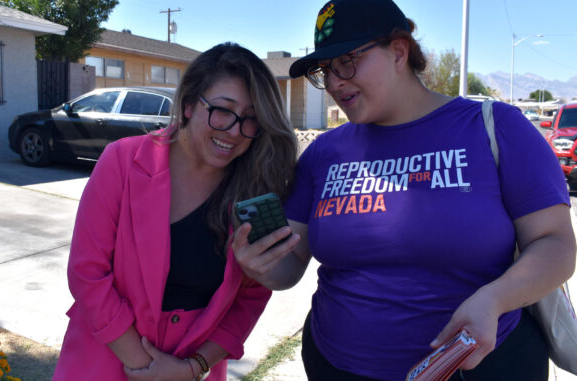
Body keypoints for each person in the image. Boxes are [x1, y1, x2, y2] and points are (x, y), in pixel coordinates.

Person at [232, 0, 576, 380]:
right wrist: (260, 263)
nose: (332, 82)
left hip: (478, 368)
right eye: (324, 70)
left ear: (399, 51)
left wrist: (496, 299)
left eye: (345, 62)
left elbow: (556, 245)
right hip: (336, 366)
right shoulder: (323, 154)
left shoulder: (497, 128)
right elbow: (289, 267)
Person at [53, 42, 299, 381]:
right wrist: (147, 368)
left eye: (251, 119)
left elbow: (251, 297)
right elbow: (87, 274)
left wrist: (192, 368)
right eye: (223, 110)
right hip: (105, 359)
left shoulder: (254, 190)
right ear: (187, 104)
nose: (233, 130)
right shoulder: (122, 161)